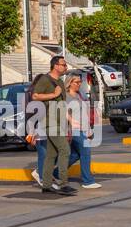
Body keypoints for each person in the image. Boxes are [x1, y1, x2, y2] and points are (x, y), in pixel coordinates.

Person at [29, 55, 74, 196]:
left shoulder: (60, 82)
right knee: (65, 150)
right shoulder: (45, 80)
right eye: (63, 65)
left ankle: (47, 185)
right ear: (55, 65)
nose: (65, 67)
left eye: (65, 65)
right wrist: (53, 95)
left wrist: (70, 121)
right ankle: (63, 183)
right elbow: (35, 96)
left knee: (51, 154)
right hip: (50, 121)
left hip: (60, 121)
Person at [64, 72, 100, 189]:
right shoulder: (66, 97)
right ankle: (87, 181)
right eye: (77, 82)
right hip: (74, 130)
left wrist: (89, 130)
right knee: (86, 151)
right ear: (70, 83)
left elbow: (84, 114)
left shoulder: (79, 95)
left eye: (80, 82)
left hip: (83, 129)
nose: (79, 84)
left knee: (75, 155)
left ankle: (54, 173)